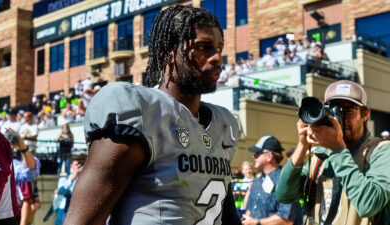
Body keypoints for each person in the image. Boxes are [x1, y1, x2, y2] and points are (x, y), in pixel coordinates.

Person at [65, 5, 241, 225]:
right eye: (203, 47)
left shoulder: (223, 124)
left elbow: (227, 215)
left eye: (219, 48)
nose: (216, 57)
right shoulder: (141, 110)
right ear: (167, 52)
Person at [276, 80, 390, 225]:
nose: (340, 118)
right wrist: (302, 145)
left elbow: (368, 205)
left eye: (348, 111)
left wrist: (338, 148)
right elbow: (284, 195)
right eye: (334, 111)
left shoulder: (382, 151)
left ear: (365, 114)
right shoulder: (320, 154)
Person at [242, 136, 301, 225]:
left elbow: (287, 219)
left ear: (269, 156)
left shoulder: (285, 181)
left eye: (257, 153)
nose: (253, 156)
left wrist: (256, 222)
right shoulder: (257, 182)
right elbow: (249, 212)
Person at [53, 154, 86, 225]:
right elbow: (60, 192)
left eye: (82, 164)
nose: (80, 166)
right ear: (71, 166)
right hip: (64, 212)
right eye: (77, 164)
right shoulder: (65, 178)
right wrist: (74, 176)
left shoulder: (87, 179)